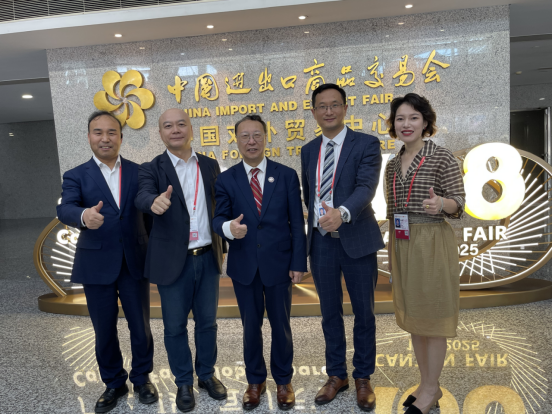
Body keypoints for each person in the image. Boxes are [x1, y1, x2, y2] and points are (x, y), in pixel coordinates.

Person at [57, 111, 156, 414]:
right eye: (98, 132)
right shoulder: (76, 175)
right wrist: (84, 216)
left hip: (134, 261)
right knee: (103, 328)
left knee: (141, 326)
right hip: (96, 263)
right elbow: (66, 208)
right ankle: (114, 382)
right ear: (89, 137)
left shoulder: (140, 172)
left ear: (121, 137)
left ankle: (142, 379)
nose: (105, 138)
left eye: (111, 132)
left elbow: (149, 215)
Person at [213, 115, 307, 411]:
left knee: (281, 325)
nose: (251, 141)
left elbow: (296, 223)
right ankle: (255, 381)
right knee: (250, 327)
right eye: (245, 136)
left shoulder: (286, 175)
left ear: (266, 138)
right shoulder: (226, 179)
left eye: (256, 135)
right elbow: (218, 218)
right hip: (244, 266)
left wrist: (298, 262)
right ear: (237, 141)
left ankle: (283, 381)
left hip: (279, 264)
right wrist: (229, 229)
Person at [135, 109, 227, 413]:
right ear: (160, 133)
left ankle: (206, 375)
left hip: (208, 257)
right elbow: (142, 196)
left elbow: (220, 204)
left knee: (208, 323)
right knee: (175, 327)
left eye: (181, 124)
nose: (175, 130)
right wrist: (154, 201)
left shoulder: (210, 165)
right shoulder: (151, 168)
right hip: (173, 261)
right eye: (168, 126)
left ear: (191, 129)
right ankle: (184, 382)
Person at [300, 84, 384, 412]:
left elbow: (366, 187)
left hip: (357, 239)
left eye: (335, 105)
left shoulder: (366, 143)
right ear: (314, 112)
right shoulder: (308, 150)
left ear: (346, 108)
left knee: (364, 312)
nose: (329, 111)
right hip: (321, 242)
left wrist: (342, 213)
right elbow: (310, 195)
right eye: (322, 106)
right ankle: (337, 375)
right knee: (329, 313)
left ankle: (363, 376)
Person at [385, 94, 465, 414]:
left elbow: (459, 203)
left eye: (413, 118)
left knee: (433, 318)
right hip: (402, 241)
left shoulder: (441, 157)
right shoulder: (392, 165)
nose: (406, 124)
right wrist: (391, 254)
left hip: (431, 242)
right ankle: (425, 383)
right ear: (393, 124)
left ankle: (432, 389)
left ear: (425, 122)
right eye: (400, 118)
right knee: (415, 318)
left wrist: (441, 204)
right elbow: (392, 213)